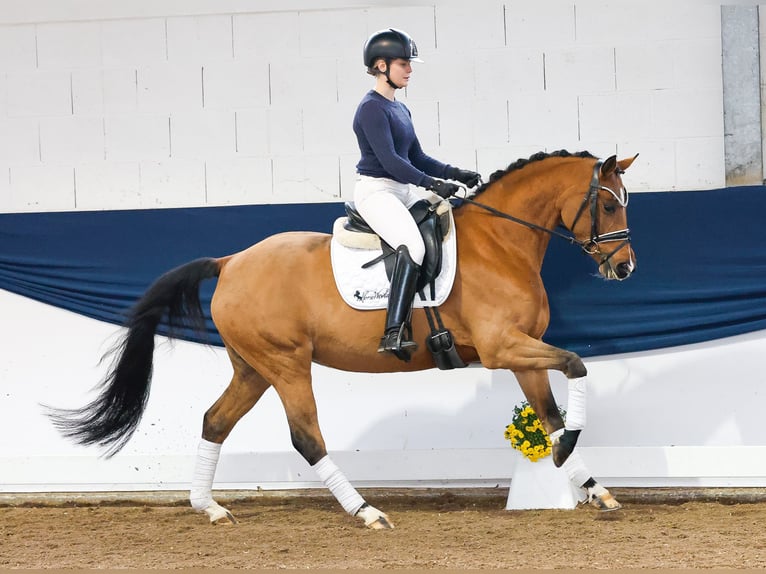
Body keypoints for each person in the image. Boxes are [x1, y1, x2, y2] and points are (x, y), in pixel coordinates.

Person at [352, 28, 481, 361]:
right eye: (403, 64)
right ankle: (394, 331)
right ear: (380, 65)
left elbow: (417, 157)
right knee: (413, 245)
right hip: (377, 191)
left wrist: (454, 173)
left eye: (409, 64)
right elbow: (391, 162)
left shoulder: (400, 109)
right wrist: (433, 184)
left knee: (449, 221)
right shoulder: (371, 109)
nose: (410, 70)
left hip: (403, 188)